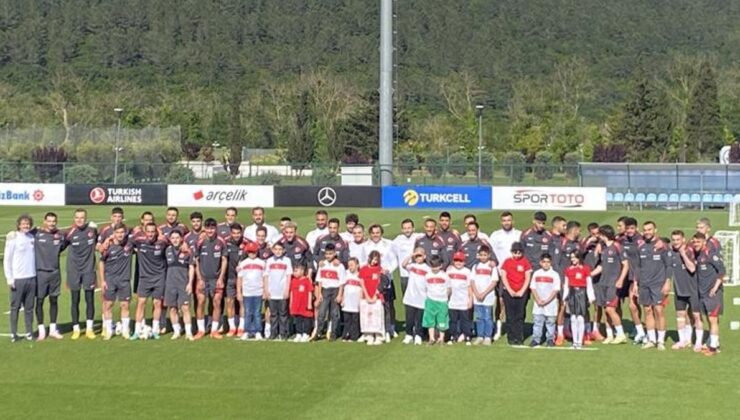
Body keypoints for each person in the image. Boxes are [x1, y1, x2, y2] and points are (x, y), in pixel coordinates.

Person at [589, 225, 629, 344]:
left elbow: (626, 265)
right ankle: (610, 335)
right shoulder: (604, 248)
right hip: (603, 282)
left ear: (603, 234)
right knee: (606, 309)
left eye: (599, 234)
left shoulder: (617, 246)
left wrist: (621, 280)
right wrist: (589, 274)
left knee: (611, 309)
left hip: (613, 282)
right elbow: (602, 266)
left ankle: (621, 334)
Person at [129, 222, 168, 340]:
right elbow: (123, 239)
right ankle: (136, 331)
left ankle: (155, 330)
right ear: (145, 232)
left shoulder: (162, 242)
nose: (151, 234)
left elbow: (175, 243)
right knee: (141, 303)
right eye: (148, 232)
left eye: (153, 232)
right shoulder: (139, 241)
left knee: (157, 303)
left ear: (156, 232)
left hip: (159, 277)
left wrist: (162, 234)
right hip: (144, 278)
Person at [636, 221, 670, 350]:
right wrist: (635, 283)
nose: (647, 232)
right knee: (647, 310)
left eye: (649, 229)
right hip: (644, 284)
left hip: (658, 284)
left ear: (655, 230)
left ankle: (660, 340)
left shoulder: (663, 246)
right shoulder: (641, 246)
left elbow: (668, 265)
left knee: (659, 310)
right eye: (645, 230)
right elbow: (638, 267)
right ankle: (651, 339)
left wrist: (667, 282)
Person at [65, 208, 98, 340]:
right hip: (74, 271)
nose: (79, 220)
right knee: (75, 300)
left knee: (89, 300)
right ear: (74, 219)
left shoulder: (92, 231)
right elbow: (58, 244)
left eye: (82, 217)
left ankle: (89, 329)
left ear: (86, 218)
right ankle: (76, 328)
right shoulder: (69, 233)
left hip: (89, 270)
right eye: (77, 217)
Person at [34, 212, 68, 340]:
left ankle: (53, 329)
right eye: (49, 221)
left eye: (54, 221)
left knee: (54, 300)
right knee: (40, 301)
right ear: (44, 221)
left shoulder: (60, 235)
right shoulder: (37, 234)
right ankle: (41, 329)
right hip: (41, 273)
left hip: (55, 273)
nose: (51, 223)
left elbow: (63, 245)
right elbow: (23, 231)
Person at [98, 223, 134, 340]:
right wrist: (103, 281)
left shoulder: (130, 244)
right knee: (108, 305)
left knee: (125, 305)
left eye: (122, 232)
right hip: (110, 280)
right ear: (114, 234)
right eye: (118, 233)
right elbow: (101, 263)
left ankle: (125, 330)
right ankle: (108, 330)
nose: (120, 235)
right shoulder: (108, 247)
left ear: (125, 233)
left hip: (124, 280)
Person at [4, 214, 36, 342]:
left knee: (29, 308)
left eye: (27, 224)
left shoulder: (31, 237)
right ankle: (14, 333)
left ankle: (29, 332)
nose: (26, 226)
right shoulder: (13, 238)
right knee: (15, 307)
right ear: (18, 225)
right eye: (23, 224)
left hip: (31, 277)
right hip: (18, 279)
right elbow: (7, 260)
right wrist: (9, 278)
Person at [489, 211, 521, 341]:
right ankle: (498, 329)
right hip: (500, 274)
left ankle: (515, 328)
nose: (506, 222)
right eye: (504, 220)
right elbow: (491, 253)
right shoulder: (495, 235)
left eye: (509, 220)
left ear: (512, 221)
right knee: (500, 302)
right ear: (501, 221)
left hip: (516, 275)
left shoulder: (519, 235)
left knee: (516, 303)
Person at [692, 232, 725, 356]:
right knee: (708, 319)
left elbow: (722, 271)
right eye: (694, 242)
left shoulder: (711, 255)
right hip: (702, 293)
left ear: (704, 242)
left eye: (698, 242)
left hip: (711, 293)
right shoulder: (699, 255)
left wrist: (715, 288)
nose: (696, 244)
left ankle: (713, 348)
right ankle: (713, 344)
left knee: (713, 319)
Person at [362, 224, 398, 339]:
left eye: (377, 232)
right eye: (373, 233)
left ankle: (390, 328)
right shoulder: (365, 246)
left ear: (381, 233)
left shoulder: (389, 244)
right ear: (370, 234)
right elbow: (363, 261)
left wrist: (388, 270)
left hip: (386, 280)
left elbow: (394, 261)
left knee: (388, 305)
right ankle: (373, 329)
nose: (375, 235)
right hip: (371, 281)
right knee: (372, 305)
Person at [667, 230, 700, 350]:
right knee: (680, 315)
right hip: (679, 290)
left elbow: (692, 268)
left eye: (678, 240)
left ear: (683, 240)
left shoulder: (689, 251)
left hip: (692, 290)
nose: (675, 242)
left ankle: (696, 341)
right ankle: (682, 340)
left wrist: (683, 254)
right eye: (674, 240)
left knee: (695, 316)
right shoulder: (671, 252)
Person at [196, 218, 228, 339]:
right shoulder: (200, 242)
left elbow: (224, 260)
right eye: (208, 228)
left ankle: (214, 330)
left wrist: (220, 278)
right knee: (201, 302)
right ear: (205, 228)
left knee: (217, 302)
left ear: (216, 228)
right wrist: (199, 278)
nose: (210, 231)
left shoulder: (221, 242)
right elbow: (196, 260)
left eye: (212, 228)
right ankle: (201, 330)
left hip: (216, 279)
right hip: (203, 278)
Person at [617, 216, 644, 343]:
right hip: (622, 276)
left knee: (633, 305)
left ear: (636, 228)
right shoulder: (621, 240)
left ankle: (639, 330)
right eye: (627, 228)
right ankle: (619, 328)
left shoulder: (641, 240)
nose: (629, 231)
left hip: (635, 277)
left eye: (632, 228)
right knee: (617, 303)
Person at [164, 230, 195, 341]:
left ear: (182, 238)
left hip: (183, 284)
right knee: (172, 308)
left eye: (177, 238)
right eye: (173, 238)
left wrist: (190, 283)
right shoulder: (167, 250)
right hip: (170, 284)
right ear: (170, 239)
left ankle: (188, 332)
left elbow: (191, 267)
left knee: (185, 308)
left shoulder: (188, 251)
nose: (175, 240)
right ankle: (176, 331)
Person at [499, 242, 532, 345]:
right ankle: (511, 337)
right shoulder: (507, 262)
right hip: (509, 292)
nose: (517, 255)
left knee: (520, 315)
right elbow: (504, 276)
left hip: (522, 293)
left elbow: (527, 277)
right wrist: (510, 290)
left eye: (519, 252)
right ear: (511, 252)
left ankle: (519, 337)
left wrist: (522, 291)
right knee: (510, 316)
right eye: (515, 252)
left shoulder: (525, 262)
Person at [555, 221, 581, 345]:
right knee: (562, 306)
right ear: (574, 230)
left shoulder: (577, 244)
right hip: (563, 280)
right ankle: (559, 334)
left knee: (575, 306)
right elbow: (556, 263)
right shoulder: (562, 242)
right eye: (579, 230)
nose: (579, 233)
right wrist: (560, 280)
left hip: (576, 281)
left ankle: (567, 330)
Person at [563, 251, 595, 349]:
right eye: (571, 258)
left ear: (579, 258)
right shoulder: (568, 270)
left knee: (580, 318)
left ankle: (580, 342)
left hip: (582, 293)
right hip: (572, 293)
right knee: (573, 318)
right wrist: (565, 297)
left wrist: (591, 296)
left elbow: (589, 284)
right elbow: (566, 285)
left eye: (575, 258)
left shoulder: (585, 269)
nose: (573, 260)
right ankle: (575, 342)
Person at [315, 244, 346, 340]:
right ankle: (319, 332)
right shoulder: (322, 265)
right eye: (327, 254)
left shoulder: (339, 266)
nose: (328, 256)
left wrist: (340, 294)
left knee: (334, 313)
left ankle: (333, 333)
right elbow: (319, 281)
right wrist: (319, 294)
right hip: (325, 290)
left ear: (335, 253)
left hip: (335, 290)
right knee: (321, 313)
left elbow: (342, 282)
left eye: (330, 253)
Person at [236, 241, 266, 341]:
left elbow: (265, 277)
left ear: (257, 252)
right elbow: (239, 278)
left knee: (257, 312)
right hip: (247, 292)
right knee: (248, 312)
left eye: (253, 252)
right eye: (249, 252)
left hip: (258, 291)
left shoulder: (262, 263)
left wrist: (265, 291)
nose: (252, 254)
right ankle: (247, 331)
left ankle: (257, 331)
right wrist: (239, 292)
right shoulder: (243, 263)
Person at [529, 254, 561, 347]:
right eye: (544, 262)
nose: (546, 264)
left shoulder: (554, 275)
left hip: (550, 303)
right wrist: (538, 300)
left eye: (548, 262)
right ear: (540, 263)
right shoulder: (536, 273)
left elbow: (556, 290)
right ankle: (536, 339)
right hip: (538, 303)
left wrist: (547, 301)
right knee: (537, 322)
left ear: (551, 263)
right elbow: (533, 287)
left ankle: (550, 339)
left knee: (550, 322)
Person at [264, 242, 293, 340]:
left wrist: (287, 290)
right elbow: (266, 276)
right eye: (276, 249)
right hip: (272, 292)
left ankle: (283, 333)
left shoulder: (287, 261)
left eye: (280, 249)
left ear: (284, 250)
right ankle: (273, 333)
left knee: (283, 314)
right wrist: (266, 290)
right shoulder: (269, 261)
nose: (278, 251)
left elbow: (289, 275)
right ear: (272, 250)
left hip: (282, 292)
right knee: (273, 314)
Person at [470, 245, 498, 346]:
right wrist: (477, 293)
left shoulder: (492, 267)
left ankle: (488, 337)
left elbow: (494, 281)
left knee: (487, 317)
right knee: (479, 317)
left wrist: (484, 293)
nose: (483, 257)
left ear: (489, 255)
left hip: (488, 297)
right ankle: (480, 336)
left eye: (485, 255)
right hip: (477, 297)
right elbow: (472, 281)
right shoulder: (475, 266)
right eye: (481, 255)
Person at [401, 248, 428, 345]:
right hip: (410, 297)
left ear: (424, 256)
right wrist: (412, 255)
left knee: (420, 318)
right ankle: (408, 335)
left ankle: (418, 335)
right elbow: (403, 264)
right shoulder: (412, 266)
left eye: (420, 255)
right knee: (409, 318)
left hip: (422, 297)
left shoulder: (427, 268)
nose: (418, 258)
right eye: (416, 256)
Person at [422, 255, 451, 345]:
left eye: (436, 266)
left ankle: (441, 338)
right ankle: (432, 338)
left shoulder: (445, 276)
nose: (434, 268)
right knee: (430, 320)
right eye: (433, 266)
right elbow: (426, 288)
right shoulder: (427, 275)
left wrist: (446, 298)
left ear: (441, 265)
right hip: (430, 300)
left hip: (442, 301)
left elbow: (449, 288)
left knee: (442, 319)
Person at [359, 251, 385, 345]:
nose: (375, 262)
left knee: (377, 316)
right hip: (366, 295)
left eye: (377, 260)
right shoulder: (364, 269)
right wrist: (366, 295)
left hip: (376, 296)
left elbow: (381, 283)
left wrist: (376, 295)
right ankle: (368, 334)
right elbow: (362, 283)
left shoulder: (379, 269)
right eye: (373, 259)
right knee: (367, 315)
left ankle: (378, 335)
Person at [446, 251, 472, 345]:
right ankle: (452, 335)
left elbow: (469, 287)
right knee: (453, 320)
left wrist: (470, 300)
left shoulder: (467, 272)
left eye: (460, 261)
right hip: (452, 301)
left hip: (463, 301)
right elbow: (446, 286)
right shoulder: (449, 271)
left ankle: (467, 335)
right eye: (456, 260)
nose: (458, 263)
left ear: (464, 262)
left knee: (465, 320)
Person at [224, 224, 245, 337]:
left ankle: (241, 327)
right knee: (229, 302)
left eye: (238, 233)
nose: (236, 235)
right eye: (234, 233)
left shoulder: (246, 243)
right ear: (230, 233)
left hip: (243, 280)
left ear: (242, 233)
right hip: (230, 278)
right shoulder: (225, 242)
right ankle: (232, 327)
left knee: (242, 302)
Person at [392, 218, 420, 295]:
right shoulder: (398, 240)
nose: (407, 230)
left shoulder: (419, 237)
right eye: (405, 228)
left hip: (418, 274)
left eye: (409, 228)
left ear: (413, 228)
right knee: (406, 300)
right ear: (402, 230)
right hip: (404, 275)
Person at [289, 264, 313, 343]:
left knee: (306, 319)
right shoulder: (293, 281)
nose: (294, 273)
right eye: (294, 271)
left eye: (296, 271)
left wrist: (309, 303)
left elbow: (310, 292)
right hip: (296, 305)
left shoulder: (306, 280)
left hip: (304, 304)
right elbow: (292, 292)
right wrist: (291, 303)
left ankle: (306, 333)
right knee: (298, 319)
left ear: (302, 271)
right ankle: (299, 333)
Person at [340, 257, 363, 342]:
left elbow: (362, 288)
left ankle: (354, 336)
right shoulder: (346, 274)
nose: (350, 267)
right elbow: (342, 287)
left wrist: (361, 299)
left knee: (355, 320)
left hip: (355, 302)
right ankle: (346, 334)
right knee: (347, 320)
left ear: (357, 265)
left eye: (352, 265)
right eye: (349, 265)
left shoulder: (360, 275)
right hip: (347, 301)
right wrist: (342, 298)